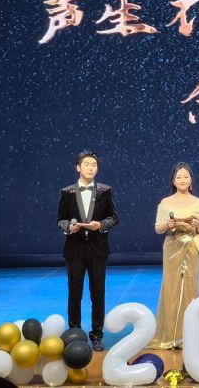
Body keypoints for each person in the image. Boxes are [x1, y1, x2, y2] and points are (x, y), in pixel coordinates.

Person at [55, 150, 119, 352]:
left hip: (98, 250)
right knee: (74, 293)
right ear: (78, 167)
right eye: (87, 164)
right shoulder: (67, 192)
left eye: (94, 165)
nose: (91, 168)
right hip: (74, 250)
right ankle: (75, 333)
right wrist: (69, 227)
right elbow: (60, 219)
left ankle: (97, 335)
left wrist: (100, 225)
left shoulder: (105, 191)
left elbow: (113, 218)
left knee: (97, 293)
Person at [147, 163, 199, 350]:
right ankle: (169, 336)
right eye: (179, 177)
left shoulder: (198, 202)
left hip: (192, 247)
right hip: (172, 246)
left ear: (191, 180)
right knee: (171, 287)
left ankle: (192, 335)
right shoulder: (165, 202)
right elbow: (158, 229)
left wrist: (197, 223)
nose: (182, 180)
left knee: (192, 288)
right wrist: (167, 224)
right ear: (173, 181)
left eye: (186, 177)